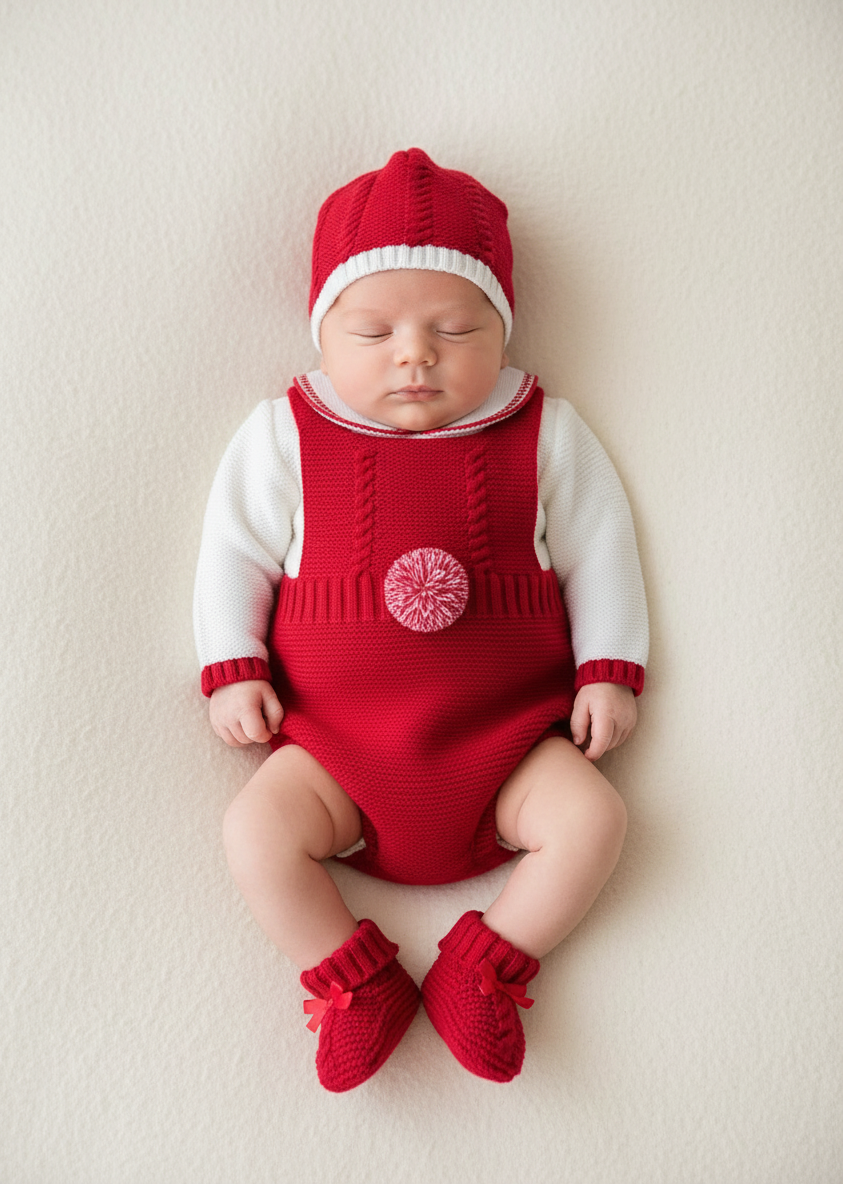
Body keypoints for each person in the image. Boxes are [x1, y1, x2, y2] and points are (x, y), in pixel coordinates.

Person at [194, 149, 648, 1092]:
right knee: (253, 835)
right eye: (373, 330)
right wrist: (233, 662)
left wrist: (608, 665)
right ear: (323, 332)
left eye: (455, 327)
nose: (416, 353)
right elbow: (232, 550)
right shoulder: (282, 435)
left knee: (595, 820)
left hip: (507, 742)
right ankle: (355, 984)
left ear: (504, 330)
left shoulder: (545, 430)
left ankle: (487, 965)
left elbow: (600, 548)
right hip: (338, 750)